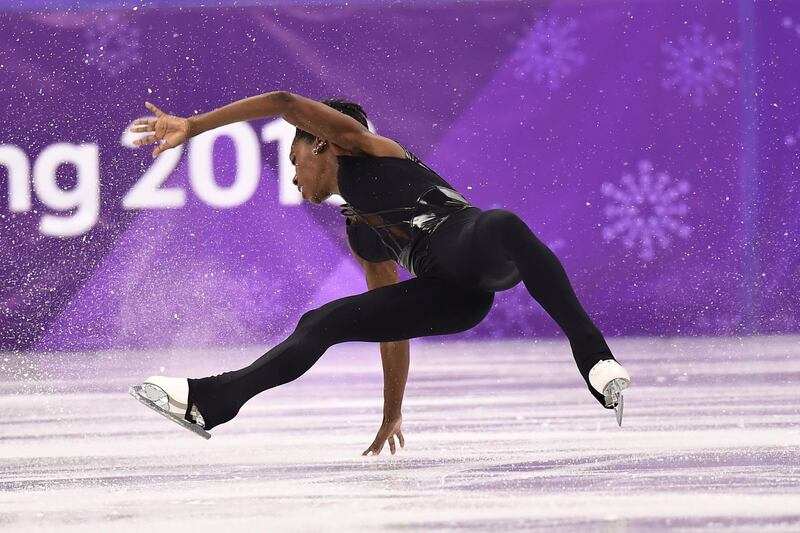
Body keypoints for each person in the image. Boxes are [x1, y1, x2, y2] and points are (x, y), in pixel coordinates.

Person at [128, 91, 631, 453]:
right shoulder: (361, 232)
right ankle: (212, 400)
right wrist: (392, 410)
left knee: (502, 223)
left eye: (295, 157)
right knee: (321, 323)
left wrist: (194, 126)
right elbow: (394, 328)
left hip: (473, 247)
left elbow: (283, 101)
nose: (295, 174)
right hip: (456, 300)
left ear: (322, 142)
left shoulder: (366, 148)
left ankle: (593, 358)